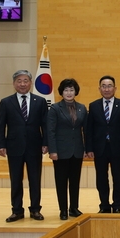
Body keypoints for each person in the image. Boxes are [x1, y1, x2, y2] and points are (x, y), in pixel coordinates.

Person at [0, 70, 48, 222]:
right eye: (19, 81)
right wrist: (1, 144)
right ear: (14, 84)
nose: (23, 84)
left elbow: (45, 125)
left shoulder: (40, 101)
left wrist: (46, 143)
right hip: (14, 147)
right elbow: (0, 126)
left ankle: (35, 210)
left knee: (35, 179)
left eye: (25, 80)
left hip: (34, 147)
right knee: (16, 180)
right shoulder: (6, 102)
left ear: (31, 83)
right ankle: (17, 210)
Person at [85, 75, 120, 214]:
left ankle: (117, 205)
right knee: (101, 178)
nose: (107, 89)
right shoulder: (93, 106)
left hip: (118, 148)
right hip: (99, 148)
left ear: (115, 88)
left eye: (109, 86)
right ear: (99, 89)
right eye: (103, 86)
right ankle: (104, 204)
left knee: (118, 178)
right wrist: (89, 148)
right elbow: (89, 129)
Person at [47, 78, 87, 220]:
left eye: (71, 90)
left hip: (77, 150)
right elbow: (50, 131)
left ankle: (74, 208)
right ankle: (63, 209)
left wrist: (87, 149)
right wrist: (53, 151)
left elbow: (86, 130)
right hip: (60, 151)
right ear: (61, 92)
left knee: (75, 181)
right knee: (61, 181)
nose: (69, 93)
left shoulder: (82, 107)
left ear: (76, 92)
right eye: (66, 90)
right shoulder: (55, 108)